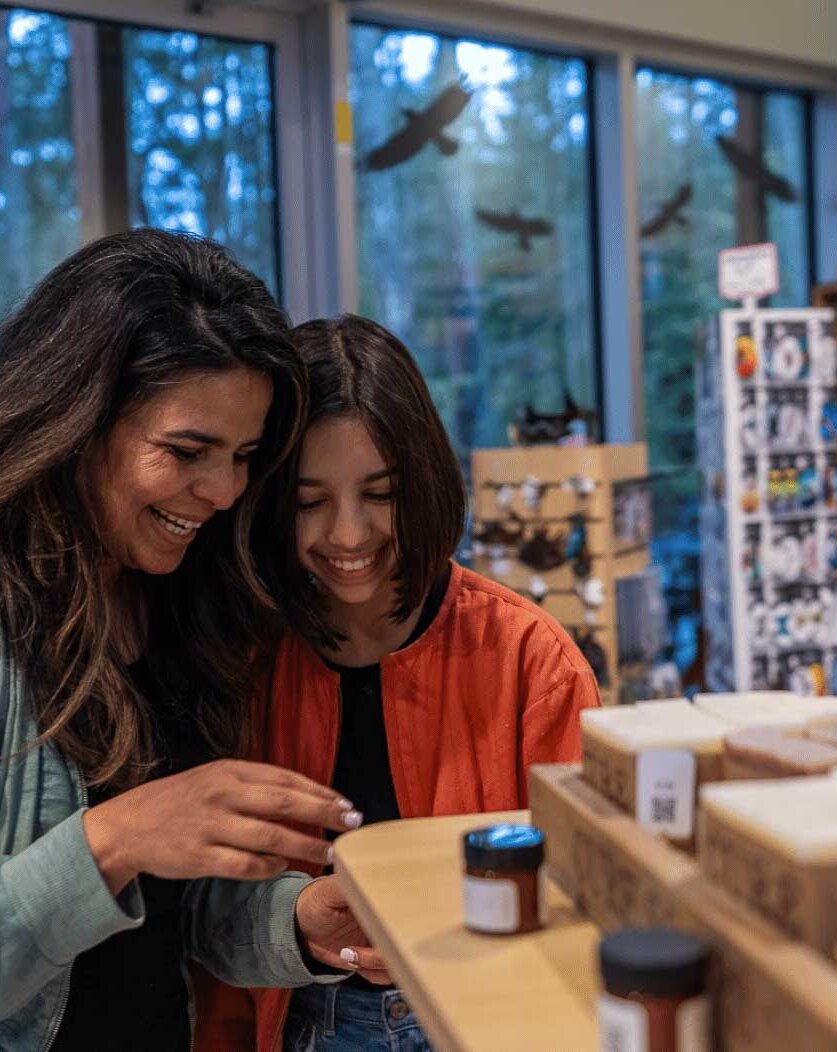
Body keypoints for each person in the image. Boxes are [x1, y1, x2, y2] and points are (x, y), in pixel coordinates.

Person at [0, 232, 381, 1051]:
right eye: (185, 452)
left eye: (244, 456)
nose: (222, 491)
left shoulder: (174, 597)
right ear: (75, 420)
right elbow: (115, 859)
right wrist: (114, 837)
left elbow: (170, 912)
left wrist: (298, 923)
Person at [195, 313, 600, 1051]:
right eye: (310, 503)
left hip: (481, 1018)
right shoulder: (242, 660)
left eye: (380, 494)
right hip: (293, 1020)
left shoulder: (529, 658)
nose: (348, 537)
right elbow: (197, 908)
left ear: (425, 480)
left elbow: (588, 898)